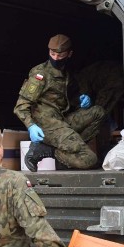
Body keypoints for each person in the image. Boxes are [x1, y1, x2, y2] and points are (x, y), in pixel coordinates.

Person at [13, 34, 109, 172]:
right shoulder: (40, 74)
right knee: (90, 160)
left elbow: (63, 99)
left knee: (98, 112)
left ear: (69, 54)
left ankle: (59, 148)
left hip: (61, 120)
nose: (56, 58)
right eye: (52, 54)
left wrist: (82, 100)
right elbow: (20, 106)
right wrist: (31, 126)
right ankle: (50, 151)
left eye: (60, 55)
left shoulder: (66, 73)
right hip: (46, 126)